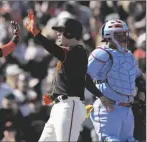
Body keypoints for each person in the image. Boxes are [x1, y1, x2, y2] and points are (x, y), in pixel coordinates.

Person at [24, 12, 112, 142]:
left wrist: (37, 33)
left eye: (61, 31)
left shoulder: (77, 52)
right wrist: (55, 94)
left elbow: (54, 50)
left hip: (69, 106)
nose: (57, 34)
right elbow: (80, 79)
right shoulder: (71, 53)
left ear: (70, 33)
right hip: (60, 107)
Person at [87, 19, 146, 141]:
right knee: (110, 139)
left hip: (127, 109)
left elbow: (139, 77)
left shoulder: (128, 55)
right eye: (119, 34)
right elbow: (84, 77)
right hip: (109, 108)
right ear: (109, 36)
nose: (124, 37)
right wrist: (101, 96)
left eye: (125, 33)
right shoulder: (101, 53)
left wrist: (141, 91)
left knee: (129, 140)